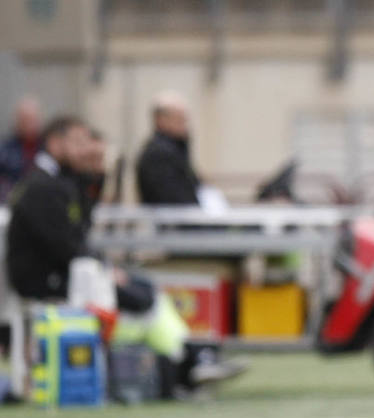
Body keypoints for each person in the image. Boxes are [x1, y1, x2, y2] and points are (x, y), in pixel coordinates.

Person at [5, 117, 243, 397]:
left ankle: (189, 359)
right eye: (78, 143)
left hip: (68, 273)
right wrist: (103, 269)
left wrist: (97, 176)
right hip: (48, 281)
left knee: (145, 289)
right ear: (56, 144)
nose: (86, 150)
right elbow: (65, 246)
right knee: (140, 298)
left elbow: (79, 231)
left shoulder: (59, 182)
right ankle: (188, 361)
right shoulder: (43, 187)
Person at [136, 91, 200, 206]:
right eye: (180, 120)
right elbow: (174, 197)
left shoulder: (175, 149)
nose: (185, 126)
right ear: (161, 120)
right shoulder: (159, 154)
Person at [0, 96, 42, 202]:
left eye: (32, 119)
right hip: (12, 200)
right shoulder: (5, 149)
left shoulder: (48, 146)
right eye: (24, 120)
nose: (29, 124)